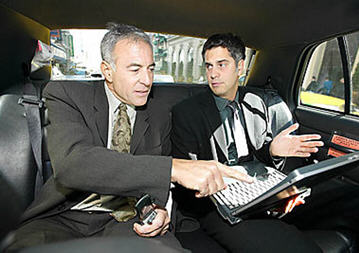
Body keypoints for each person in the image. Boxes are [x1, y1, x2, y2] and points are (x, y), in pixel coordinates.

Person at [6, 24, 253, 251]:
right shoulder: (66, 95)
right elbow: (74, 164)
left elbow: (157, 186)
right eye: (135, 69)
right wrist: (173, 168)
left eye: (151, 69)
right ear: (108, 71)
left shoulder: (159, 113)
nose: (146, 81)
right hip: (65, 217)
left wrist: (158, 210)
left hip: (131, 218)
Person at [171, 33, 325, 252]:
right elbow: (189, 178)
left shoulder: (257, 102)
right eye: (208, 66)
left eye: (221, 65)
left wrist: (274, 151)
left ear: (240, 67)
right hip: (216, 204)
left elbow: (260, 158)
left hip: (261, 188)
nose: (213, 74)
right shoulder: (186, 113)